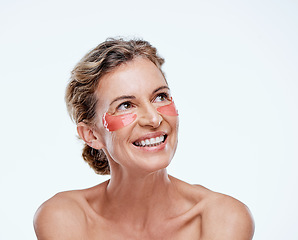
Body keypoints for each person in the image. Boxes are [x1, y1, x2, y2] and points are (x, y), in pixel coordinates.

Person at [34, 38, 254, 239]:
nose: (153, 118)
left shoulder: (222, 219)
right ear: (91, 135)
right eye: (125, 105)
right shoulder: (64, 217)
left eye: (160, 96)